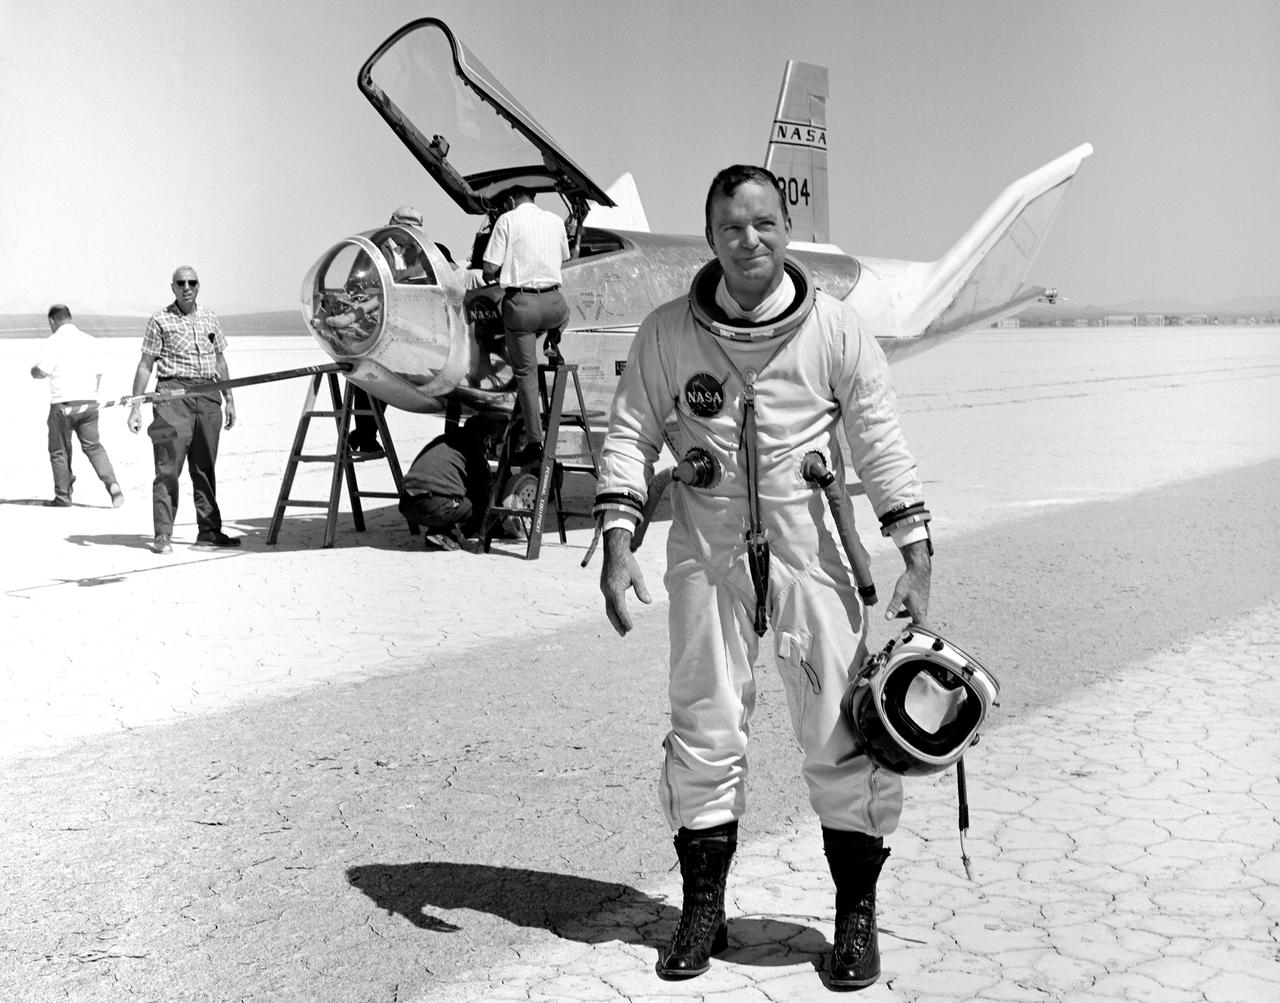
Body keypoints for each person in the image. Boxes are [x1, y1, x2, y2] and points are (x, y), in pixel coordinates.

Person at [594, 166, 933, 989]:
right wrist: (616, 540)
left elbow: (881, 440)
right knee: (705, 726)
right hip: (707, 555)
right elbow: (630, 433)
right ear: (709, 239)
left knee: (840, 734)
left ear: (789, 231)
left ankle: (856, 917)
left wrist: (915, 552)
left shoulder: (836, 332)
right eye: (733, 228)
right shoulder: (669, 333)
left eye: (765, 224)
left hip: (810, 553)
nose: (751, 241)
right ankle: (701, 907)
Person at [127, 266, 239, 554]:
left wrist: (229, 398)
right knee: (168, 468)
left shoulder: (210, 317)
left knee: (204, 467)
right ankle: (163, 535)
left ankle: (209, 532)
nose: (186, 287)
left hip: (207, 395)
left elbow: (220, 360)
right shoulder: (159, 320)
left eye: (192, 282)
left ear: (199, 286)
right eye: (181, 283)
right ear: (173, 287)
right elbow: (145, 364)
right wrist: (136, 406)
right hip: (172, 397)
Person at [481, 185, 571, 465]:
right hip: (555, 306)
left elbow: (489, 269)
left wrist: (491, 275)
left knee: (526, 374)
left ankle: (535, 442)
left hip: (522, 308)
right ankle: (553, 343)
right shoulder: (555, 221)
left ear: (510, 200)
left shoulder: (507, 220)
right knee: (562, 315)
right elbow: (566, 257)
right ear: (533, 199)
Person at [30, 304, 123, 508]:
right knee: (94, 447)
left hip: (62, 404)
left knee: (59, 451)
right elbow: (99, 373)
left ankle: (63, 496)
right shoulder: (90, 341)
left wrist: (33, 371)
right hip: (88, 403)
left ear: (52, 321)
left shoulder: (53, 342)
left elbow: (42, 371)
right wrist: (90, 395)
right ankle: (112, 484)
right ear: (69, 318)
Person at [398, 413, 502, 550]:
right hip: (432, 506)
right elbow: (485, 487)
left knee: (447, 494)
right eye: (489, 439)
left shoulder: (444, 440)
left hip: (406, 504)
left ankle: (437, 535)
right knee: (481, 505)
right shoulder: (473, 445)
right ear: (485, 437)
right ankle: (453, 534)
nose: (489, 445)